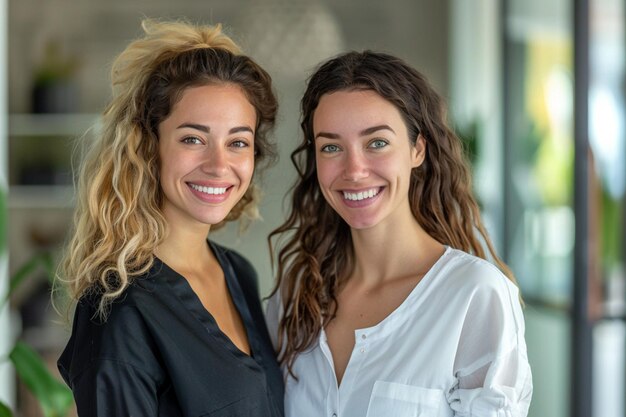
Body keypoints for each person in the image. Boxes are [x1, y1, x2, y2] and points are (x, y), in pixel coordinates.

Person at [267, 51, 532, 417]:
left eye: (376, 142)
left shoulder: (474, 295)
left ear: (417, 149)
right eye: (331, 147)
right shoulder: (296, 296)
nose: (354, 170)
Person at [56, 19, 284, 416]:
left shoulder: (238, 274)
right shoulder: (118, 309)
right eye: (193, 138)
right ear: (149, 147)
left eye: (238, 142)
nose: (219, 164)